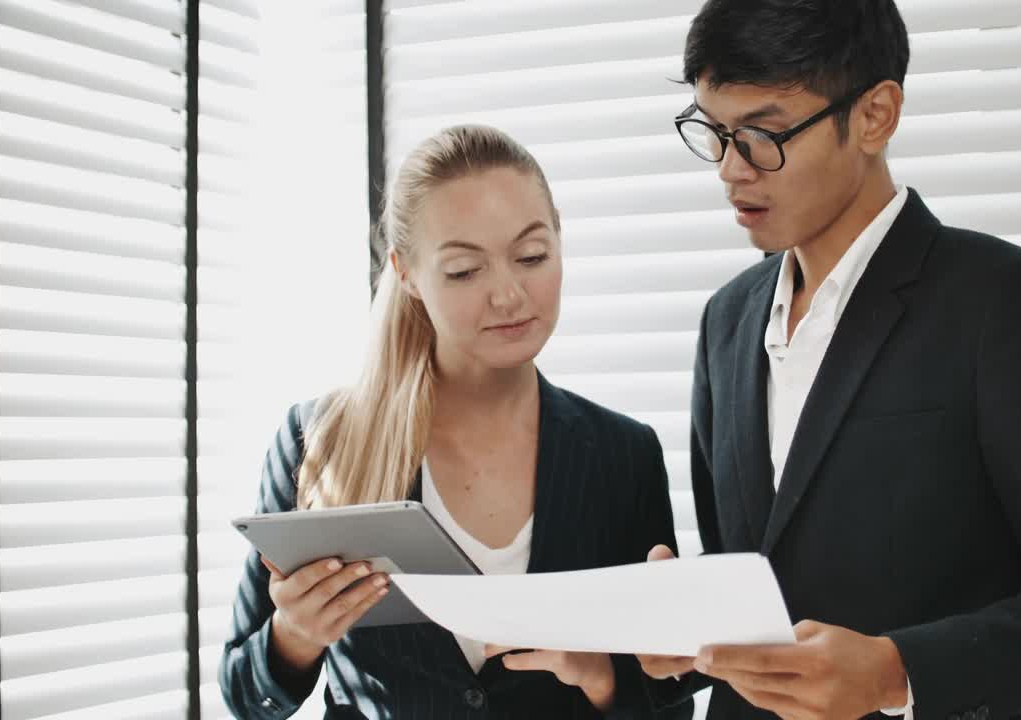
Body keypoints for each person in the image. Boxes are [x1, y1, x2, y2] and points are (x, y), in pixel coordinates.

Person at [636, 2, 1021, 719]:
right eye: (714, 133)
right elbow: (763, 570)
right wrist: (685, 623)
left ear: (875, 115)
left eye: (762, 135)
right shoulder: (725, 321)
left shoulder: (1004, 304)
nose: (732, 171)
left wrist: (899, 672)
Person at [220, 125, 688, 719]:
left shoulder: (624, 455)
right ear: (407, 274)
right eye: (466, 270)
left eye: (532, 256)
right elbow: (243, 696)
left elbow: (669, 700)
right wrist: (295, 635)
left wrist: (596, 674)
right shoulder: (320, 440)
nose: (510, 295)